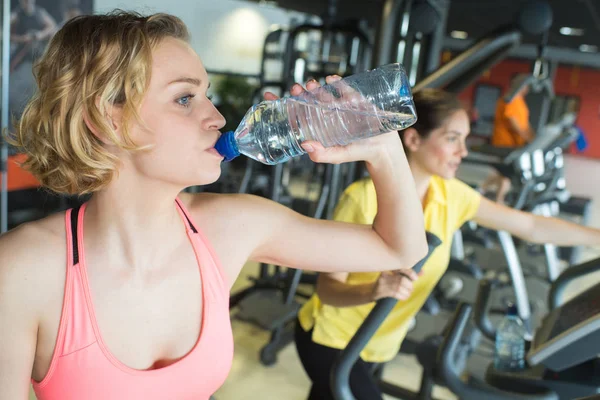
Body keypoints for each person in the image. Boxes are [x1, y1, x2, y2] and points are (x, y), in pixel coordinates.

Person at [0, 12, 428, 400]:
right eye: (185, 99)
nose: (219, 117)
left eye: (207, 94)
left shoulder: (232, 226)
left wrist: (383, 148)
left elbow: (399, 249)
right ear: (105, 120)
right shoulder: (22, 270)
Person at [294, 88, 600, 400]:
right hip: (331, 340)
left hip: (377, 344)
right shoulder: (362, 199)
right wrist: (374, 290)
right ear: (413, 140)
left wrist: (597, 237)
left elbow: (531, 225)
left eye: (464, 140)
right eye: (453, 139)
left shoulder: (451, 195)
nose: (463, 151)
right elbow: (327, 290)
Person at [482, 73, 536, 203]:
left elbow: (525, 124)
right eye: (525, 86)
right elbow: (515, 125)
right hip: (504, 144)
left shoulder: (520, 102)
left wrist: (534, 138)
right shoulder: (509, 100)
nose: (527, 89)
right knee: (508, 176)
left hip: (516, 145)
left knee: (505, 175)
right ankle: (498, 202)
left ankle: (481, 189)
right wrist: (529, 139)